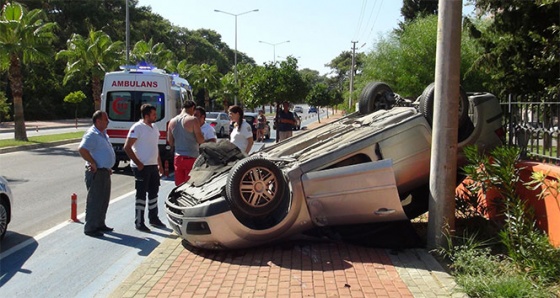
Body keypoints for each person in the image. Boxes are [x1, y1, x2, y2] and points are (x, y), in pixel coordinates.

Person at [124, 104, 167, 232]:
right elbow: (127, 147)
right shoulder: (137, 127)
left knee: (154, 193)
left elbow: (155, 147)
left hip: (153, 166)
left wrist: (159, 164)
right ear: (146, 115)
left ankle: (153, 218)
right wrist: (138, 163)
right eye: (153, 114)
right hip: (141, 167)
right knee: (141, 195)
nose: (156, 116)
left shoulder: (154, 128)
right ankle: (139, 222)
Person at [78, 111, 116, 237]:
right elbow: (82, 149)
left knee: (103, 199)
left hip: (104, 171)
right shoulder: (92, 134)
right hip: (96, 172)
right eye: (106, 120)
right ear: (98, 121)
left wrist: (107, 166)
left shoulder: (102, 134)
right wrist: (92, 162)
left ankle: (100, 224)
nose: (108, 122)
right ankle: (90, 227)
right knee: (95, 200)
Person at [167, 100, 205, 186]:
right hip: (191, 157)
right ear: (192, 108)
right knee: (191, 186)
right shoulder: (193, 120)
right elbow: (200, 140)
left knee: (179, 186)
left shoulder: (171, 122)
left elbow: (171, 142)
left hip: (178, 158)